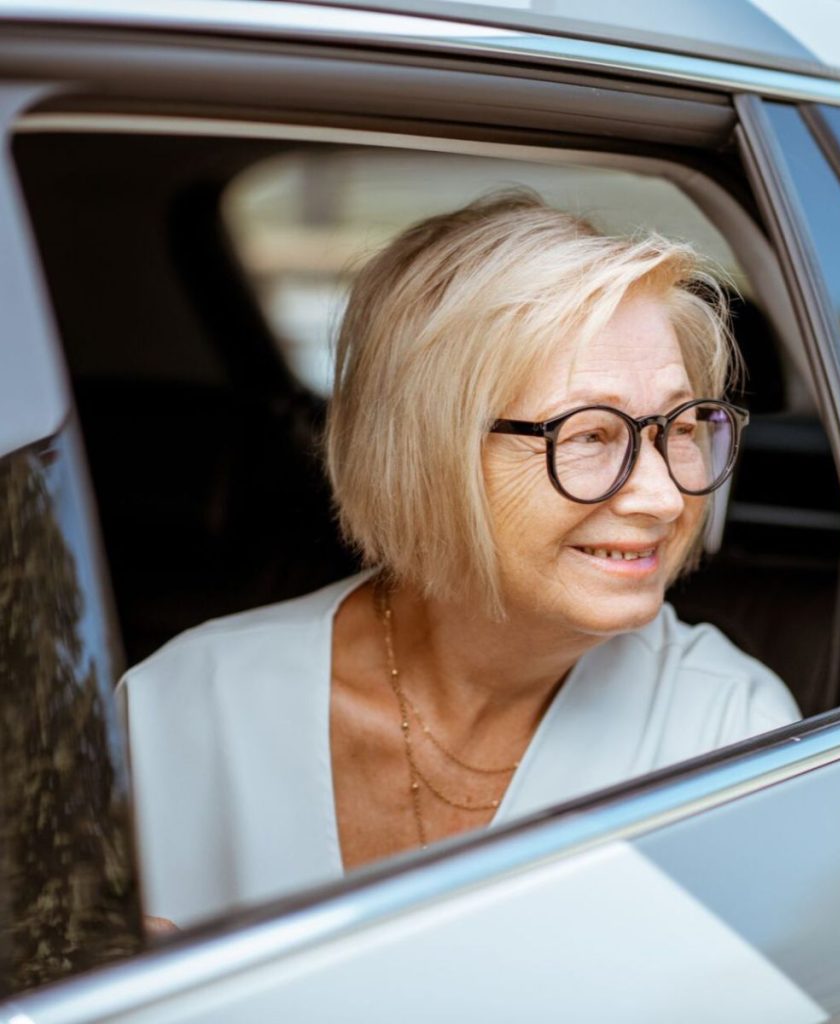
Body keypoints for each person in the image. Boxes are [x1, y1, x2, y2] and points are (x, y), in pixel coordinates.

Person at [118, 191, 799, 929]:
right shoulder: (181, 709)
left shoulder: (729, 734)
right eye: (590, 435)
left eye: (682, 426)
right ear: (424, 455)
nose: (665, 498)